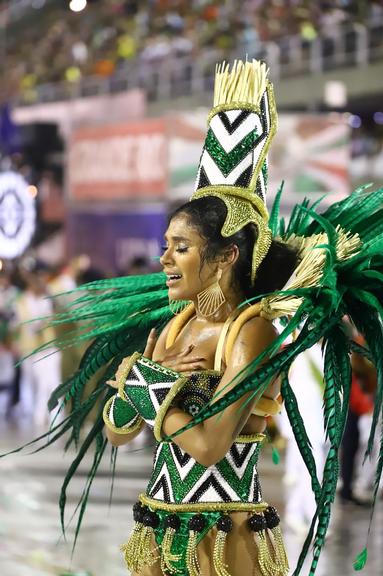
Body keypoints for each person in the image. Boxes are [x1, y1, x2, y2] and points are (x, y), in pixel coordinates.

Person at [5, 59, 383, 576]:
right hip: (160, 530)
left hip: (223, 541)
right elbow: (120, 432)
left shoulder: (251, 331)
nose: (164, 260)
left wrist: (146, 385)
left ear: (226, 256)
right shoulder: (177, 324)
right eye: (166, 246)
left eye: (180, 247)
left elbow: (208, 446)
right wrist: (138, 391)